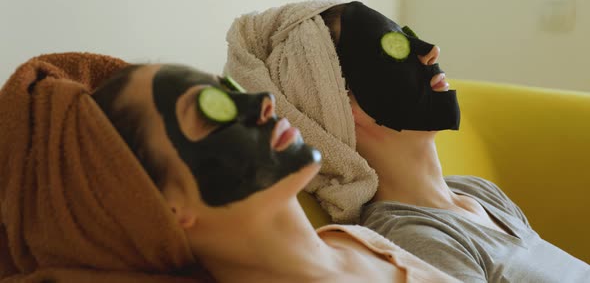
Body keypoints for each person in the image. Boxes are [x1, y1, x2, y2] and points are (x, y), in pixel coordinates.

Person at [224, 0, 590, 282]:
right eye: (392, 49)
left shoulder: (480, 194)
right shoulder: (413, 240)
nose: (430, 52)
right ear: (339, 105)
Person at [91, 62, 459, 282]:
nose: (263, 102)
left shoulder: (357, 241)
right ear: (164, 206)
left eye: (229, 89)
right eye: (210, 109)